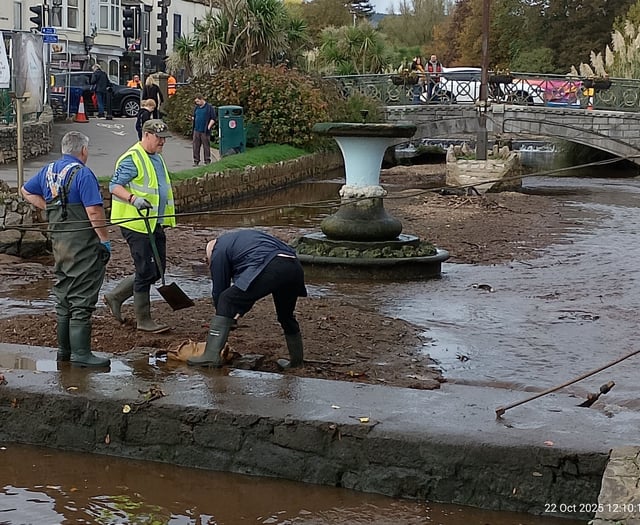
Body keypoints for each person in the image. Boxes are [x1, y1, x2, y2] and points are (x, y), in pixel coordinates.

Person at [20, 131, 111, 367]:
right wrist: (104, 239)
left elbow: (26, 191)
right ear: (83, 151)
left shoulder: (48, 170)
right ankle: (81, 354)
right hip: (82, 245)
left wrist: (50, 208)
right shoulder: (83, 174)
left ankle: (64, 351)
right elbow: (93, 211)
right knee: (82, 294)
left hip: (60, 243)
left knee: (64, 292)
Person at [188, 229, 307, 369]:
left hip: (269, 264)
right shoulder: (240, 242)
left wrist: (223, 314)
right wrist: (235, 314)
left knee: (226, 298)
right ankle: (297, 362)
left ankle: (211, 356)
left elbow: (220, 291)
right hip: (293, 265)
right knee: (286, 315)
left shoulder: (218, 251)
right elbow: (247, 292)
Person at [105, 119, 176, 334]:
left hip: (153, 222)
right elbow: (114, 186)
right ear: (146, 134)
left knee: (158, 270)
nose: (163, 141)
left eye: (164, 138)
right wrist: (133, 199)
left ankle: (116, 296)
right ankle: (143, 320)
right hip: (136, 224)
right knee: (145, 270)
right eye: (159, 137)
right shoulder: (132, 158)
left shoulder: (156, 157)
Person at [192, 94, 217, 167]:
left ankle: (207, 160)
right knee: (196, 146)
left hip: (205, 130)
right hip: (196, 129)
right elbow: (195, 116)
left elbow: (213, 118)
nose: (197, 103)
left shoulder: (209, 108)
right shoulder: (196, 108)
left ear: (202, 99)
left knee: (206, 146)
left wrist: (209, 127)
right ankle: (196, 160)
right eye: (196, 102)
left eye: (198, 101)